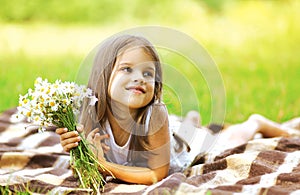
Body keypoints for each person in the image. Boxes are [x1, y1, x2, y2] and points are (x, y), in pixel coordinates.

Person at [56, 34, 292, 185]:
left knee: (222, 140)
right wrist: (75, 151)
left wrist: (106, 166)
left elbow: (154, 176)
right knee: (184, 131)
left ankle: (255, 122)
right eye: (127, 69)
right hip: (167, 140)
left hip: (178, 153)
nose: (139, 78)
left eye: (148, 73)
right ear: (103, 75)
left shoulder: (154, 113)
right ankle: (190, 122)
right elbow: (85, 171)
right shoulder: (90, 111)